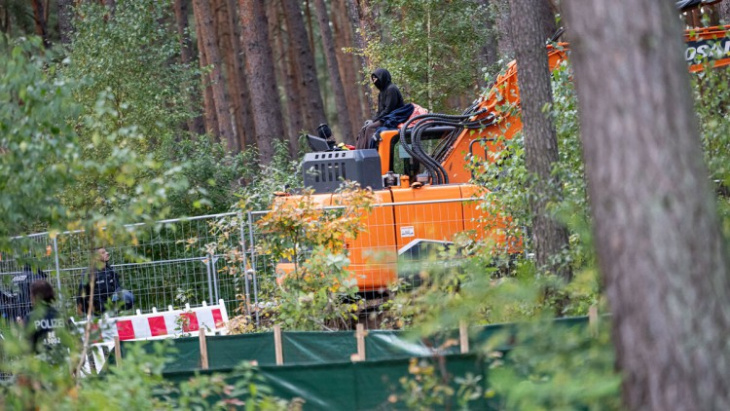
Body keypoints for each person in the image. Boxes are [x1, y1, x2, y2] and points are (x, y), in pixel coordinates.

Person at [356, 68, 406, 150]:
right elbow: (379, 111)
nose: (374, 81)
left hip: (394, 118)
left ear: (382, 77)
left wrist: (374, 121)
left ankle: (370, 152)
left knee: (370, 128)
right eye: (373, 79)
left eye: (376, 78)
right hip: (385, 118)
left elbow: (388, 110)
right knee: (364, 129)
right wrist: (373, 120)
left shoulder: (391, 89)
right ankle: (361, 152)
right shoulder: (381, 93)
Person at [77, 247, 134, 314]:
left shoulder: (111, 271)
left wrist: (116, 300)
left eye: (106, 251)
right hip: (95, 311)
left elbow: (118, 289)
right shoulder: (88, 273)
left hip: (111, 308)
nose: (107, 253)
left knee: (126, 295)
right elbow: (81, 295)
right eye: (103, 253)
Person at [24, 280, 66, 358]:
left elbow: (27, 347)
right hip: (61, 360)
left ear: (36, 297)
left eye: (31, 295)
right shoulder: (60, 316)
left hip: (41, 364)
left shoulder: (31, 317)